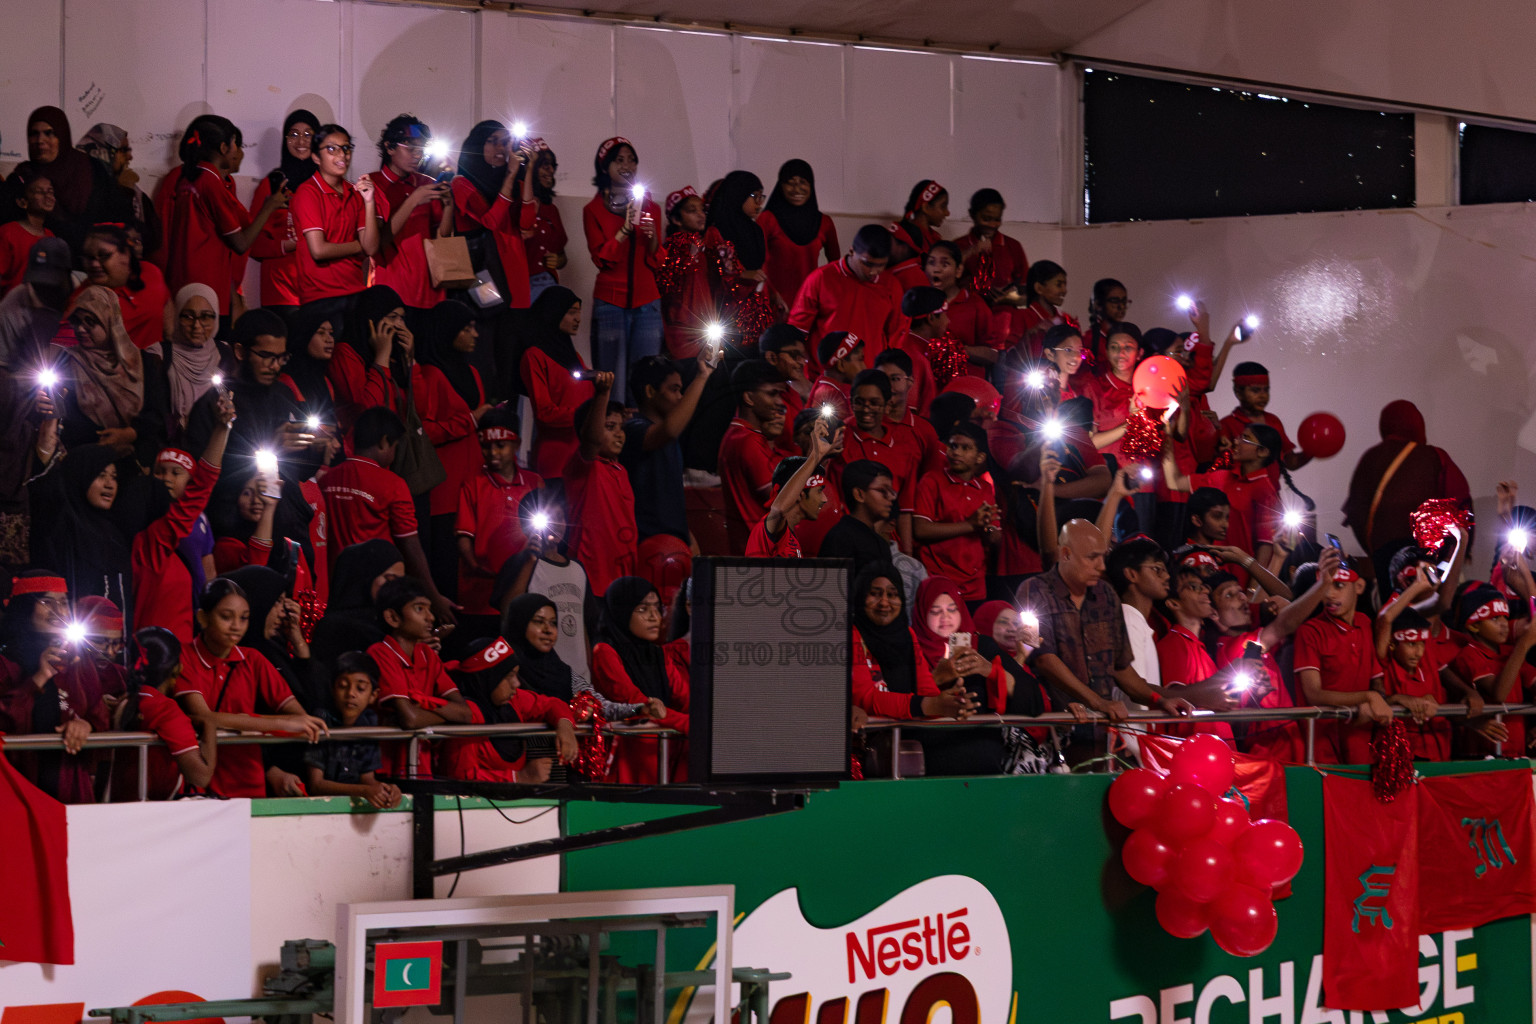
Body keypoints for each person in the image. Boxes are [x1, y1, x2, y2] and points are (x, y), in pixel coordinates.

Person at [1019, 520, 1203, 761]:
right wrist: (1098, 702)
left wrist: (1159, 700)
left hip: (1102, 731)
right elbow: (1042, 658)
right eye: (1092, 557)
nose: (1101, 565)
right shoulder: (1033, 590)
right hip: (1053, 729)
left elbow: (1120, 667)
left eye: (1102, 556)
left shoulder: (1106, 595)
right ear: (1065, 554)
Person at [173, 577, 328, 798]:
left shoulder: (253, 659)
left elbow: (298, 717)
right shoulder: (183, 656)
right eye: (226, 617)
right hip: (200, 784)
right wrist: (278, 723)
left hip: (249, 781)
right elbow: (204, 717)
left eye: (244, 618)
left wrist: (285, 722)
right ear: (203, 617)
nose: (236, 626)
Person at [320, 407, 455, 625]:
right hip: (377, 593)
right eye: (395, 446)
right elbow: (410, 546)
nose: (394, 454)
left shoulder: (326, 479)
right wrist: (432, 595)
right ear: (384, 442)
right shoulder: (393, 485)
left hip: (335, 587)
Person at [503, 591, 644, 777]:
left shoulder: (563, 671)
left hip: (562, 768)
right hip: (519, 770)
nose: (548, 630)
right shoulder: (503, 670)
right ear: (520, 623)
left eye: (553, 623)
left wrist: (638, 710)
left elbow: (601, 706)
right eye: (538, 622)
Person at [163, 114, 286, 325]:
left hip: (185, 281)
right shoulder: (210, 182)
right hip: (207, 287)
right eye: (236, 145)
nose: (239, 152)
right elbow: (240, 243)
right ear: (223, 148)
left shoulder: (189, 177)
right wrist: (269, 207)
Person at [133, 391, 233, 641]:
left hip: (191, 635)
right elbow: (203, 485)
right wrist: (222, 429)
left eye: (175, 473)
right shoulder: (152, 539)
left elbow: (209, 573)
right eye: (159, 472)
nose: (166, 478)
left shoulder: (200, 519)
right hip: (155, 650)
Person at [453, 120, 536, 384]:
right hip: (480, 277)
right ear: (477, 145)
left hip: (515, 280)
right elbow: (490, 221)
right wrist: (511, 177)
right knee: (484, 355)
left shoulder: (513, 182)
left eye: (506, 141)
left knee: (510, 366)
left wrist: (529, 170)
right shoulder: (462, 183)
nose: (501, 148)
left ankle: (506, 422)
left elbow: (526, 222)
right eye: (493, 141)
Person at [417, 300, 490, 595]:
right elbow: (425, 431)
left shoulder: (472, 373)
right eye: (466, 328)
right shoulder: (431, 374)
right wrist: (470, 421)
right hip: (445, 491)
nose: (475, 335)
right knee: (447, 568)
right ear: (448, 331)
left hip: (475, 484)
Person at [582, 137, 662, 403]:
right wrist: (625, 229)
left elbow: (657, 260)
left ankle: (640, 435)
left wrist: (651, 238)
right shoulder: (592, 210)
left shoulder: (650, 206)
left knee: (644, 379)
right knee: (611, 379)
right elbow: (601, 258)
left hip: (647, 302)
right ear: (605, 167)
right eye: (619, 159)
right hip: (610, 303)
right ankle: (611, 433)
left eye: (631, 159)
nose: (627, 165)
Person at [367, 576, 471, 777]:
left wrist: (425, 703)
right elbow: (410, 720)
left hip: (423, 766)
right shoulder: (381, 652)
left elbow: (465, 714)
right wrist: (442, 713)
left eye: (429, 609)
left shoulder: (427, 654)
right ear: (393, 618)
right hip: (386, 772)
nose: (430, 617)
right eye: (419, 608)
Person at [1292, 555, 1393, 763]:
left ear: (1359, 586)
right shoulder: (1309, 631)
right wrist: (1368, 698)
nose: (1329, 594)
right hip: (1320, 746)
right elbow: (1313, 694)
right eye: (1325, 586)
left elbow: (1376, 680)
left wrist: (1375, 699)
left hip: (1361, 740)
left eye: (1338, 585)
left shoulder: (1364, 623)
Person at [1342, 399, 1473, 557]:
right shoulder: (1434, 457)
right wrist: (1461, 549)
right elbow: (1460, 500)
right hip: (1426, 555)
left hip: (1383, 554)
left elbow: (1357, 509)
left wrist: (1374, 549)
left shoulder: (1370, 458)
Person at [496, 491, 600, 687]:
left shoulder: (577, 568)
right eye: (548, 517)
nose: (555, 524)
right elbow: (507, 613)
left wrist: (588, 670)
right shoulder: (519, 563)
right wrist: (529, 561)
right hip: (538, 676)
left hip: (578, 677)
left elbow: (583, 625)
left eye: (560, 517)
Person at [910, 575, 1013, 774]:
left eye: (952, 609)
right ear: (922, 613)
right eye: (935, 611)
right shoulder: (909, 649)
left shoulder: (982, 647)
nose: (945, 617)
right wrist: (937, 678)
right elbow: (900, 703)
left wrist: (988, 670)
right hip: (932, 763)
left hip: (984, 762)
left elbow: (1025, 692)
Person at [441, 635, 578, 783]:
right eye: (508, 676)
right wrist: (520, 777)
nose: (517, 683)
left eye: (516, 674)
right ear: (488, 679)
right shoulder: (466, 714)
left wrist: (565, 727)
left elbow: (551, 704)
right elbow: (460, 777)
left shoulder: (513, 700)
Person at [591, 576, 688, 784]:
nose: (654, 617)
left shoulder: (658, 654)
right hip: (625, 762)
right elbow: (635, 701)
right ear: (622, 612)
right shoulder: (605, 652)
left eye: (657, 608)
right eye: (643, 609)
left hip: (661, 757)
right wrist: (692, 724)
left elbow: (685, 699)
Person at [453, 407, 543, 628]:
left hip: (525, 587)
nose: (493, 453)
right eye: (486, 447)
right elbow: (464, 535)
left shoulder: (534, 483)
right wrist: (474, 565)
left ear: (517, 444)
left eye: (500, 446)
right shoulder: (473, 485)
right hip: (480, 593)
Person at [849, 565, 974, 721]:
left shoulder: (907, 634)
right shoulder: (851, 635)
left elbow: (925, 689)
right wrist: (929, 705)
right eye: (875, 594)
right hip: (874, 732)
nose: (884, 602)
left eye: (893, 595)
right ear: (860, 597)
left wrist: (951, 703)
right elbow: (864, 698)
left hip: (908, 726)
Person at [107, 626, 217, 800]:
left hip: (117, 804)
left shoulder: (125, 700)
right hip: (150, 812)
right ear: (178, 668)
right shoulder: (165, 710)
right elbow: (200, 777)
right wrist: (209, 724)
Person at [0, 624, 104, 803]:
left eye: (62, 602)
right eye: (47, 601)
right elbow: (5, 719)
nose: (56, 610)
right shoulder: (6, 662)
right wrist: (41, 676)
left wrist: (86, 725)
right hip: (19, 779)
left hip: (67, 778)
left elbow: (99, 712)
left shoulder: (80, 661)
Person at [622, 353, 716, 545]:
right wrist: (702, 376)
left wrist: (686, 537)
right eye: (674, 390)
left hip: (674, 544)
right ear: (650, 391)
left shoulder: (669, 437)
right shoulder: (633, 428)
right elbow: (669, 430)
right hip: (648, 542)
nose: (680, 398)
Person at [788, 225, 904, 376]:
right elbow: (796, 333)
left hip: (869, 381)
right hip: (824, 378)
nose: (873, 272)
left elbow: (896, 335)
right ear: (851, 251)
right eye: (867, 263)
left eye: (881, 265)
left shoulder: (892, 286)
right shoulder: (821, 278)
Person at [367, 115, 454, 315]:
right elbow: (379, 242)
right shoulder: (372, 184)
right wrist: (413, 200)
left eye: (421, 149)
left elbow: (443, 238)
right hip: (393, 289)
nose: (417, 155)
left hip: (432, 289)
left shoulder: (426, 182)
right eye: (411, 149)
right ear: (389, 148)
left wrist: (449, 205)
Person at [52, 286, 149, 462]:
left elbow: (156, 415)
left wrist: (129, 434)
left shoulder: (142, 362)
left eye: (90, 321)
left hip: (135, 459)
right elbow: (66, 418)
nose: (81, 329)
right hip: (84, 460)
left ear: (110, 321)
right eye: (77, 321)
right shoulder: (67, 361)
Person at [291, 123, 381, 311]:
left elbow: (371, 248)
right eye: (332, 149)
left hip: (355, 291)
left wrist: (370, 201)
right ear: (316, 157)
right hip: (321, 296)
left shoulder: (355, 192)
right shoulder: (308, 192)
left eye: (346, 148)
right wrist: (358, 246)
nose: (342, 155)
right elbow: (319, 251)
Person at [29, 444, 132, 605]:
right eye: (100, 475)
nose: (109, 484)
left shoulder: (115, 536)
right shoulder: (61, 525)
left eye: (114, 476)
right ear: (80, 475)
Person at [838, 368, 926, 554]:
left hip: (887, 545)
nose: (866, 409)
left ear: (887, 405)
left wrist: (907, 555)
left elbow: (905, 509)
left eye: (874, 403)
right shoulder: (838, 437)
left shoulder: (905, 446)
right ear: (851, 402)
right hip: (846, 542)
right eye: (859, 402)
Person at [565, 373, 637, 594]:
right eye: (610, 426)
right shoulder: (584, 465)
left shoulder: (620, 470)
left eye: (620, 427)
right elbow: (592, 441)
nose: (619, 434)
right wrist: (603, 393)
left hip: (621, 575)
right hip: (591, 577)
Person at [301, 651, 402, 807]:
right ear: (333, 689)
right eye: (343, 686)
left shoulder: (369, 722)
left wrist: (386, 789)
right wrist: (363, 791)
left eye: (360, 688)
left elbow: (367, 778)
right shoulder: (321, 720)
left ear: (374, 695)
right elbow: (316, 784)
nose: (350, 694)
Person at [914, 421, 998, 601]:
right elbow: (921, 529)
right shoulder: (932, 480)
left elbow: (995, 535)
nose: (957, 452)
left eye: (965, 448)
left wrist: (987, 528)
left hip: (974, 583)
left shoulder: (984, 488)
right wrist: (970, 525)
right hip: (938, 578)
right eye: (953, 446)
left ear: (980, 457)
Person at [1449, 582, 1535, 759]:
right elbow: (1499, 695)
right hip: (1481, 754)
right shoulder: (1469, 654)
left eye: (1505, 617)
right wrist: (1524, 644)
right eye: (1495, 619)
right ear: (1473, 625)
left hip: (1517, 750)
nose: (1504, 624)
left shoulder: (1509, 652)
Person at [248, 110, 320, 314]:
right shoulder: (272, 183)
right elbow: (251, 243)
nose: (301, 141)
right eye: (294, 134)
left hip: (320, 288)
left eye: (308, 134)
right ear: (285, 139)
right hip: (280, 289)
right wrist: (285, 245)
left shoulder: (327, 183)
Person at [519, 285, 594, 477]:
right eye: (571, 312)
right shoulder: (534, 356)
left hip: (582, 457)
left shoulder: (574, 357)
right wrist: (586, 417)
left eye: (579, 312)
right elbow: (544, 413)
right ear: (554, 312)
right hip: (557, 461)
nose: (578, 318)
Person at [718, 360, 789, 552]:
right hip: (760, 556)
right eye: (771, 394)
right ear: (749, 398)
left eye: (780, 394)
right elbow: (782, 503)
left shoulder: (735, 435)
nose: (779, 402)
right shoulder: (749, 441)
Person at [8, 107, 104, 248]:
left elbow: (111, 216)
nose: (40, 140)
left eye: (49, 133)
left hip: (90, 257)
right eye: (34, 134)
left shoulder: (90, 168)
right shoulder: (22, 177)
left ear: (62, 136)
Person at [703, 170, 778, 342]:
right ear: (738, 194)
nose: (759, 203)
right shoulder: (717, 230)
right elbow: (720, 273)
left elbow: (761, 268)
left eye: (762, 196)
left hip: (753, 311)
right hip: (725, 313)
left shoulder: (755, 230)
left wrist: (772, 292)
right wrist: (744, 275)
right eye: (754, 196)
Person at [746, 420, 835, 558]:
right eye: (819, 491)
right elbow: (779, 509)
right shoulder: (770, 527)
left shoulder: (791, 538)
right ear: (799, 494)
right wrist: (815, 456)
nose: (824, 499)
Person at [758, 159, 839, 307]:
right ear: (781, 186)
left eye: (803, 182)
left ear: (811, 186)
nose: (797, 189)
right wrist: (771, 293)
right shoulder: (768, 219)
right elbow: (757, 261)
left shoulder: (824, 222)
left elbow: (836, 266)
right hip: (774, 303)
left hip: (809, 303)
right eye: (790, 182)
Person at [79, 223, 171, 352]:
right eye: (90, 257)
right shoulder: (84, 295)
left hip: (156, 364)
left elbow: (169, 325)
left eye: (104, 256)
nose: (94, 264)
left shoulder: (151, 273)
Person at [311, 539, 403, 663]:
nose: (397, 589)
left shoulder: (390, 624)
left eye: (401, 582)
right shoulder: (335, 629)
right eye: (390, 579)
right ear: (365, 576)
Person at [162, 283, 233, 434]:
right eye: (188, 316)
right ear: (177, 316)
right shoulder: (159, 355)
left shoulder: (224, 354)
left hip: (214, 440)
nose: (197, 325)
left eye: (206, 317)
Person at [925, 241, 999, 376]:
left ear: (958, 270)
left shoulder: (975, 305)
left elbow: (993, 355)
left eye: (945, 264)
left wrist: (959, 350)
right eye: (931, 263)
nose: (936, 269)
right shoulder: (919, 302)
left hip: (964, 388)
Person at [657, 185, 714, 360]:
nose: (700, 214)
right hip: (683, 328)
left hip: (707, 325)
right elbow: (667, 285)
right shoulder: (672, 248)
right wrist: (688, 256)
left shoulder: (702, 244)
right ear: (676, 219)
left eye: (702, 210)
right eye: (692, 210)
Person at [956, 188, 1027, 314]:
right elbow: (947, 287)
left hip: (1005, 319)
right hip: (969, 317)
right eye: (986, 218)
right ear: (972, 214)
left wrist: (1009, 297)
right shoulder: (959, 246)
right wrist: (977, 289)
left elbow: (1026, 292)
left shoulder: (1013, 246)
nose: (992, 225)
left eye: (997, 219)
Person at [820, 459, 897, 571]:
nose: (891, 497)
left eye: (892, 491)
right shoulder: (840, 539)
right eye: (882, 491)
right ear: (859, 494)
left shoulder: (880, 542)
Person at [1084, 322, 1140, 464]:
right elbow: (1088, 443)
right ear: (1107, 352)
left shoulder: (1147, 388)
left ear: (1140, 353)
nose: (1121, 353)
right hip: (1110, 474)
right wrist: (1129, 425)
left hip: (1144, 475)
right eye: (1114, 347)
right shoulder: (1095, 388)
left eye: (1128, 347)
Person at [523, 141, 567, 302]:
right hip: (524, 284)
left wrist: (558, 259)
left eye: (552, 165)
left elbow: (562, 255)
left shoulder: (551, 209)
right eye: (544, 165)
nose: (551, 170)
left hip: (549, 283)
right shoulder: (519, 204)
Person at [279, 302, 338, 416]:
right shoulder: (287, 380)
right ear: (305, 336)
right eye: (321, 332)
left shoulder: (325, 380)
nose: (329, 339)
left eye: (331, 333)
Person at [762, 324, 812, 454]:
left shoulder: (793, 393)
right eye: (794, 355)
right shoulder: (759, 399)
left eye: (802, 356)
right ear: (772, 357)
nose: (801, 362)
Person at [0, 176, 55, 293]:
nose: (48, 196)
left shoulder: (50, 236)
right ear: (22, 202)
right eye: (40, 192)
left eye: (50, 191)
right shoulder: (8, 233)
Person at [1012, 260, 1077, 357]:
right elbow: (1009, 355)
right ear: (1039, 288)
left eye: (1065, 285)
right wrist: (1031, 335)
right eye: (1059, 285)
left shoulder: (1067, 321)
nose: (1064, 290)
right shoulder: (1021, 317)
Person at [808, 330, 865, 421]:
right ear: (841, 365)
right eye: (860, 359)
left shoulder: (835, 389)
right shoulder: (827, 395)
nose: (864, 366)